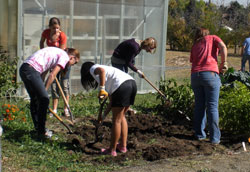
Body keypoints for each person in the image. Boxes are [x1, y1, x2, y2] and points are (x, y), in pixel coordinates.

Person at [19, 47, 80, 139]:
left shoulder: (56, 53)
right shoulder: (64, 57)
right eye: (74, 63)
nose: (72, 65)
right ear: (72, 57)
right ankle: (42, 131)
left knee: (35, 99)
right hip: (32, 70)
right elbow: (52, 75)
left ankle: (38, 129)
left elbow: (43, 73)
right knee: (44, 99)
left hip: (25, 68)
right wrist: (44, 91)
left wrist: (42, 89)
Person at [80, 62, 137, 156]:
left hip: (122, 87)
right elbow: (112, 102)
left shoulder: (93, 68)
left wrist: (101, 89)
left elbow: (101, 71)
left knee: (116, 120)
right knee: (122, 116)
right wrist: (103, 116)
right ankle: (123, 146)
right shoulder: (110, 78)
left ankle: (112, 150)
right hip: (131, 83)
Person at [190, 27, 228, 144]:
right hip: (210, 74)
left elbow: (192, 60)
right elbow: (223, 46)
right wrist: (223, 63)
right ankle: (215, 138)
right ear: (207, 33)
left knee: (199, 106)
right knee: (212, 106)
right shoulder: (213, 38)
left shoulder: (195, 45)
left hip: (195, 76)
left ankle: (199, 134)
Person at [111, 37, 157, 114]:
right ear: (147, 45)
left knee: (125, 83)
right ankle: (120, 105)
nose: (150, 50)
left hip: (122, 60)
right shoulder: (135, 47)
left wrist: (134, 66)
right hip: (118, 61)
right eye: (150, 48)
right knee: (123, 84)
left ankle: (125, 106)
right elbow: (128, 62)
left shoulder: (139, 44)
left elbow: (130, 58)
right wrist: (137, 71)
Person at [40, 17, 71, 117]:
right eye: (54, 28)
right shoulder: (46, 32)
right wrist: (43, 53)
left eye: (57, 28)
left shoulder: (62, 35)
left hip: (62, 61)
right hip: (51, 60)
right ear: (50, 27)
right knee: (54, 85)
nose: (56, 30)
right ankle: (54, 109)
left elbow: (61, 52)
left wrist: (56, 65)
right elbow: (41, 42)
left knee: (64, 85)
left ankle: (66, 108)